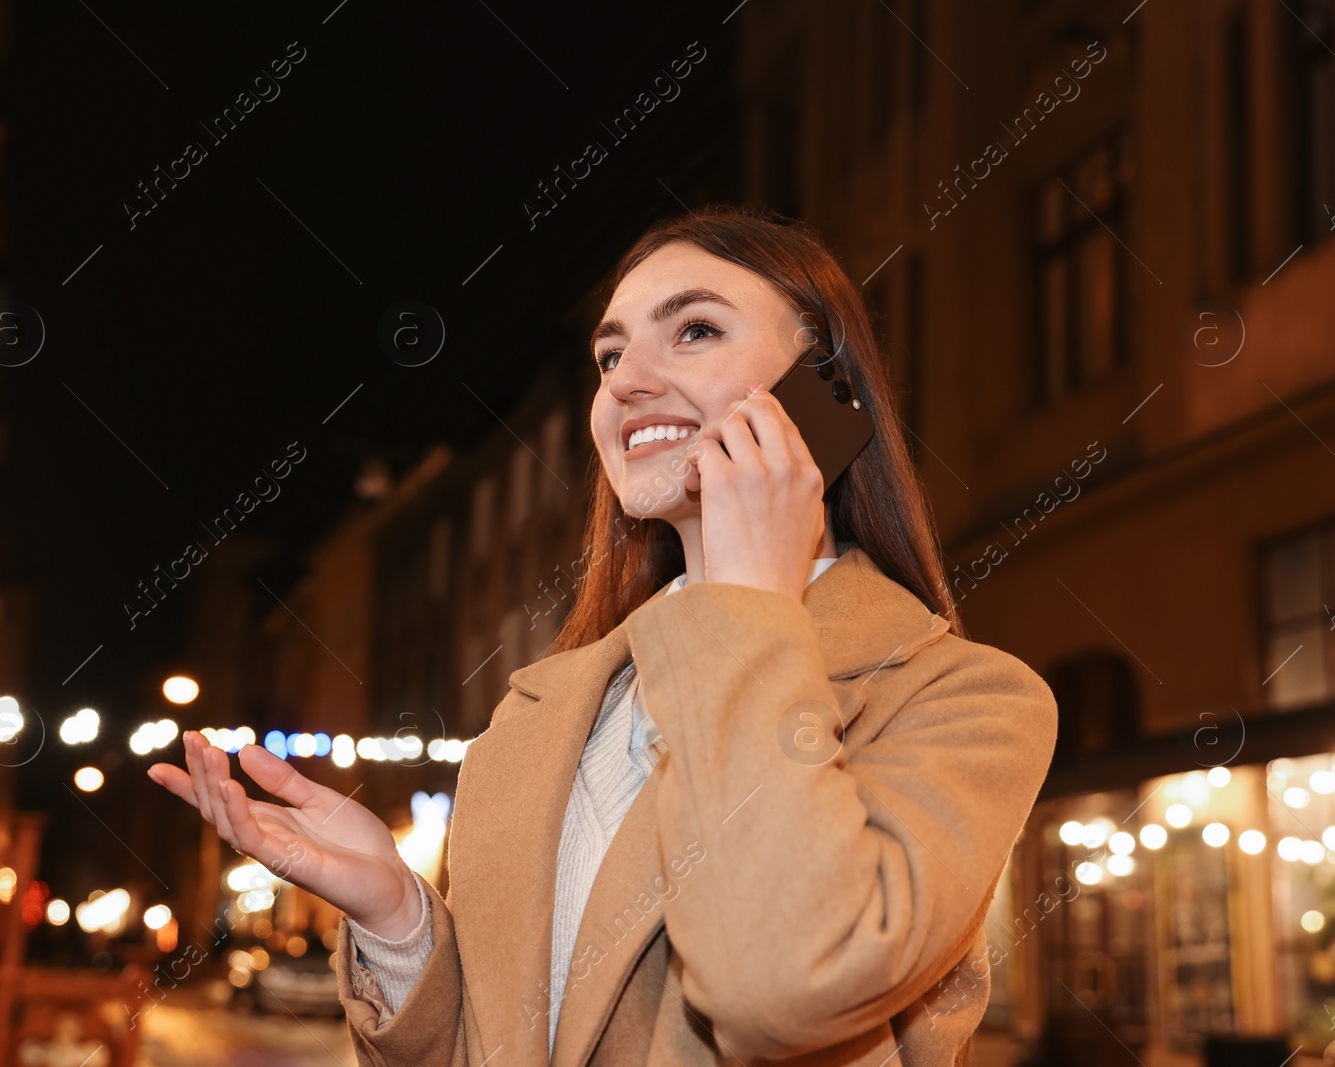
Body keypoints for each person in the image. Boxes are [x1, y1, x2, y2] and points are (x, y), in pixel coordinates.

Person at [149, 205, 1059, 1065]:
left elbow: (780, 984)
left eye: (694, 330)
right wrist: (395, 914)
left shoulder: (965, 700)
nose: (625, 379)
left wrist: (745, 605)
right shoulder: (535, 717)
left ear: (827, 395)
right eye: (609, 352)